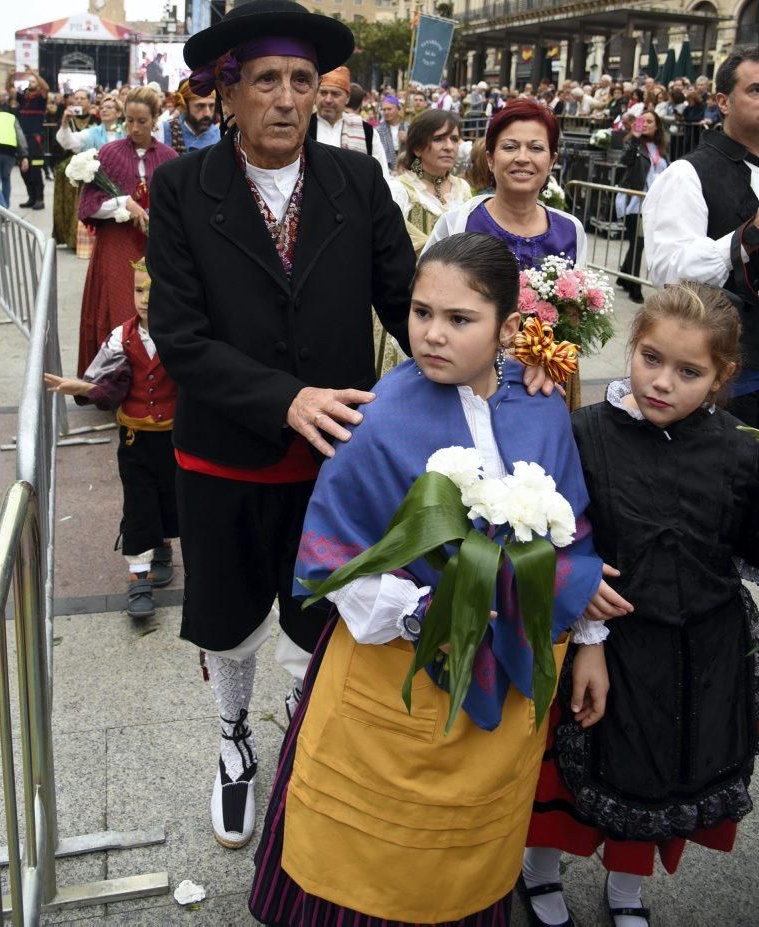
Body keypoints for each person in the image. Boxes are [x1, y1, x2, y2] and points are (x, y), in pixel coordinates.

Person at [249, 233, 609, 927]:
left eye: (459, 319)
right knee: (370, 851)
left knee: (465, 853)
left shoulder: (540, 408)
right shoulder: (380, 417)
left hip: (504, 691)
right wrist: (427, 614)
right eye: (420, 312)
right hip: (396, 671)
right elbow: (333, 561)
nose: (432, 334)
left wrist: (589, 634)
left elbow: (575, 526)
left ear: (509, 327)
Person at [145, 0, 416, 850]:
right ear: (227, 93)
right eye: (267, 80)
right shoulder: (184, 187)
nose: (288, 98)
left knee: (324, 619)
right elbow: (181, 339)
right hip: (225, 454)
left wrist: (482, 358)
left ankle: (313, 742)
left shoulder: (357, 181)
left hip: (336, 459)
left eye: (304, 80)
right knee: (227, 620)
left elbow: (406, 299)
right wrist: (284, 399)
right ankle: (233, 740)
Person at [522, 282, 759, 927]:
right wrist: (577, 591)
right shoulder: (584, 434)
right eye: (650, 358)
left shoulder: (740, 449)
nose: (662, 382)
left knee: (663, 775)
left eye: (689, 372)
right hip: (608, 643)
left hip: (700, 655)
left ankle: (627, 890)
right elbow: (553, 530)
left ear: (721, 376)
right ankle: (539, 873)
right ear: (632, 345)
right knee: (566, 774)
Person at [44, 258, 178, 618]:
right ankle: (139, 577)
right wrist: (82, 387)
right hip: (135, 439)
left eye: (153, 289)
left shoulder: (182, 334)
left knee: (172, 497)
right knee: (138, 506)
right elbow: (100, 380)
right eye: (138, 289)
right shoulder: (121, 336)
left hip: (176, 439)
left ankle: (163, 545)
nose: (145, 298)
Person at [643, 45, 759, 425]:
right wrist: (748, 236)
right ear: (723, 102)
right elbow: (669, 270)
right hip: (732, 382)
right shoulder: (687, 174)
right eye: (756, 90)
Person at [76, 88, 176, 375]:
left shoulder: (169, 157)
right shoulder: (109, 152)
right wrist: (123, 204)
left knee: (154, 309)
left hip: (154, 246)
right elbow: (89, 206)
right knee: (119, 310)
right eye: (129, 120)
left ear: (155, 119)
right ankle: (115, 383)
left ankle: (153, 384)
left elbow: (177, 205)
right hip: (116, 247)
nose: (134, 128)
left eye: (142, 121)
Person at [426, 100, 586, 270]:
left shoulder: (571, 231)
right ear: (490, 159)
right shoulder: (457, 224)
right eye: (510, 147)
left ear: (551, 162)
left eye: (536, 148)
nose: (522, 158)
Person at [395, 109, 472, 251]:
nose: (449, 147)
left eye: (454, 139)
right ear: (417, 148)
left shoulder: (463, 189)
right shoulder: (400, 190)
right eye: (438, 139)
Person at [615, 110, 668, 304]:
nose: (644, 124)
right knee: (638, 243)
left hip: (653, 202)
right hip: (634, 201)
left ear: (657, 126)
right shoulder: (633, 144)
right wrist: (635, 139)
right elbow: (625, 161)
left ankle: (623, 276)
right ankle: (634, 287)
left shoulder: (660, 149)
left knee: (638, 243)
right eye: (642, 121)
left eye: (649, 121)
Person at [311, 66, 389, 171]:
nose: (328, 99)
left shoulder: (367, 132)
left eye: (335, 94)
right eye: (323, 93)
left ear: (347, 98)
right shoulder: (303, 127)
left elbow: (381, 174)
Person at [53, 89, 99, 252]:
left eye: (83, 98)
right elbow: (62, 142)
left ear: (89, 101)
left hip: (94, 165)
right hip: (70, 163)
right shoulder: (68, 118)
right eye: (76, 98)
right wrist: (65, 121)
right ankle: (69, 236)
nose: (79, 101)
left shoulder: (97, 119)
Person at [7, 66, 48, 209]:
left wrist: (34, 74)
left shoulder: (41, 99)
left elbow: (46, 87)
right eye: (29, 81)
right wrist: (10, 76)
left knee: (36, 170)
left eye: (33, 81)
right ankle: (31, 197)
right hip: (22, 139)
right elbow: (9, 89)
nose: (31, 82)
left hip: (35, 139)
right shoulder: (23, 98)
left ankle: (40, 199)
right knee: (24, 170)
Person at [0, 92, 29, 209]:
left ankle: (1, 208)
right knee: (6, 179)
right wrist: (24, 155)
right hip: (10, 152)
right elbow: (20, 136)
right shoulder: (10, 117)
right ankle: (6, 207)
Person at [163, 81, 219, 153]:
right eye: (200, 106)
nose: (207, 114)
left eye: (211, 106)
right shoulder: (165, 131)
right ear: (185, 106)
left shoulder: (220, 136)